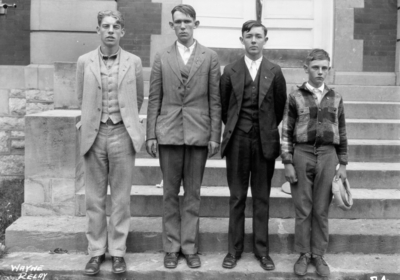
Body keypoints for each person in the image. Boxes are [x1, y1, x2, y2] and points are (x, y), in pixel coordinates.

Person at [146, 4, 221, 269]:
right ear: (171, 26)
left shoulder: (210, 57)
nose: (182, 26)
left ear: (196, 24)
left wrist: (215, 135)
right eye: (177, 22)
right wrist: (151, 134)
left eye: (187, 22)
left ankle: (189, 247)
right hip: (168, 133)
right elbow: (154, 97)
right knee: (169, 192)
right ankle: (171, 247)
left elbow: (215, 99)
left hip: (199, 133)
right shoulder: (162, 56)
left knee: (193, 192)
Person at [75, 10, 144, 275]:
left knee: (121, 199)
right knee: (94, 198)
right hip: (94, 133)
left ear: (122, 32)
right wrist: (87, 123)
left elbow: (137, 97)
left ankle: (117, 252)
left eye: (116, 27)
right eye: (106, 26)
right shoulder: (84, 61)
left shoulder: (134, 62)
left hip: (121, 133)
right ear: (98, 30)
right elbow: (80, 97)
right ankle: (95, 252)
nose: (111, 30)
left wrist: (125, 122)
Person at [220, 20, 287, 271]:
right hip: (237, 140)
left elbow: (278, 108)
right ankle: (233, 250)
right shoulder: (230, 70)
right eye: (249, 36)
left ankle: (262, 251)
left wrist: (265, 128)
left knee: (261, 198)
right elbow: (226, 108)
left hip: (264, 143)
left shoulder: (275, 71)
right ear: (242, 40)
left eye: (259, 36)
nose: (254, 41)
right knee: (237, 197)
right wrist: (240, 127)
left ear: (265, 41)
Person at [281, 49, 348, 277]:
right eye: (316, 67)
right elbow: (286, 132)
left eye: (324, 68)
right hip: (302, 153)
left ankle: (318, 254)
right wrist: (287, 162)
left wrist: (344, 164)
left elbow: (343, 132)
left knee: (321, 209)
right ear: (306, 68)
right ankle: (303, 254)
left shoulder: (336, 97)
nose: (320, 72)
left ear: (328, 69)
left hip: (328, 155)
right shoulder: (295, 96)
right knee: (303, 209)